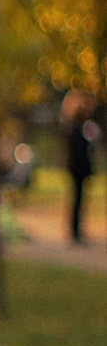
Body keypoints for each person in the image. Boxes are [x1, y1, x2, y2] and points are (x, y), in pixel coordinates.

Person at [64, 89, 101, 245]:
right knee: (77, 199)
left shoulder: (81, 129)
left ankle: (77, 229)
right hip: (78, 169)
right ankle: (75, 230)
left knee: (79, 199)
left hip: (79, 169)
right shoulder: (76, 130)